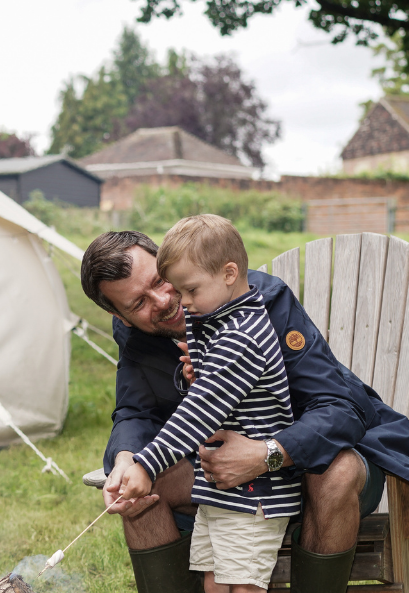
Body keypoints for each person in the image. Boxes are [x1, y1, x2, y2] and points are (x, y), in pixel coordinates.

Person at [80, 229, 409, 593]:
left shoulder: (261, 303)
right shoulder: (136, 337)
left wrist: (269, 455)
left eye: (161, 281)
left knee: (337, 473)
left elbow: (340, 407)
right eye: (138, 304)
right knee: (139, 490)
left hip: (309, 461)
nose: (166, 300)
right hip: (223, 482)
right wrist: (124, 461)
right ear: (120, 317)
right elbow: (135, 412)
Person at [120, 215, 300, 593]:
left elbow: (199, 413)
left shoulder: (242, 336)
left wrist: (146, 463)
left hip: (255, 493)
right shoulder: (218, 320)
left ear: (229, 273)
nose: (179, 303)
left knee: (241, 586)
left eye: (189, 291)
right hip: (218, 491)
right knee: (213, 584)